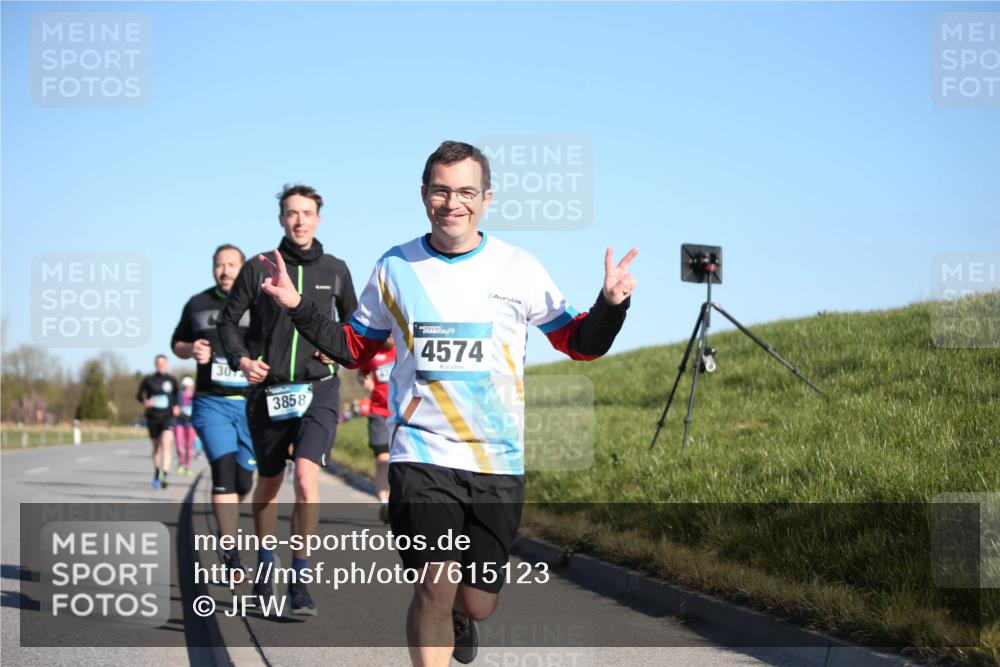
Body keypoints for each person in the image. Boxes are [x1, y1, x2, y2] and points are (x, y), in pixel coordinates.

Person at [257, 141, 638, 665]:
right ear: (423, 196)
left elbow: (579, 342)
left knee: (477, 603)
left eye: (464, 191)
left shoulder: (519, 268)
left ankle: (462, 617)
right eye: (440, 190)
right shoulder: (395, 266)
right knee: (433, 587)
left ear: (486, 198)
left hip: (496, 459)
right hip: (422, 453)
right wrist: (299, 306)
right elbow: (352, 347)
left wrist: (611, 306)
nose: (451, 201)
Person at [218, 184, 358, 616]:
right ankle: (264, 563)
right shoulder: (257, 268)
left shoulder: (336, 270)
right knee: (270, 483)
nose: (299, 220)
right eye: (291, 213)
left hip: (319, 389)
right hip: (270, 391)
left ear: (319, 219)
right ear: (282, 218)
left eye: (307, 213)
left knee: (306, 480)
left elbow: (353, 329)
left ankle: (299, 578)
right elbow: (228, 322)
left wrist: (332, 347)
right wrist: (241, 359)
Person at [171, 244, 257, 574]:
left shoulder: (257, 302)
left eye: (231, 265)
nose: (225, 271)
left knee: (243, 482)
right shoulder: (197, 304)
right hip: (211, 403)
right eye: (219, 265)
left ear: (242, 268)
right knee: (223, 475)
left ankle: (230, 528)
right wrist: (190, 348)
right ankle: (232, 553)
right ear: (213, 268)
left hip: (251, 405)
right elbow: (176, 343)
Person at [356, 338, 396, 523]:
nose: (389, 338)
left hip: (402, 413)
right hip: (378, 412)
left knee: (400, 462)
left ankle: (398, 498)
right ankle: (384, 504)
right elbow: (361, 373)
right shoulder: (373, 351)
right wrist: (365, 381)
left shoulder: (405, 348)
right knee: (383, 459)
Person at [135, 355, 180, 490]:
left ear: (166, 364)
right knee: (156, 448)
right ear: (156, 364)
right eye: (159, 363)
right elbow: (138, 395)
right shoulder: (148, 380)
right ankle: (157, 472)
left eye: (163, 363)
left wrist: (176, 406)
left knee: (166, 444)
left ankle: (164, 475)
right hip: (153, 417)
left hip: (167, 417)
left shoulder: (171, 380)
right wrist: (145, 401)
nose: (161, 365)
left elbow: (176, 396)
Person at [174, 376, 196, 476]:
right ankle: (180, 463)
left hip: (191, 423)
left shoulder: (195, 395)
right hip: (180, 422)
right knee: (179, 444)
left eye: (189, 386)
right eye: (185, 386)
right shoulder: (179, 395)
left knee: (190, 445)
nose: (187, 388)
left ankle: (187, 466)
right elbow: (174, 406)